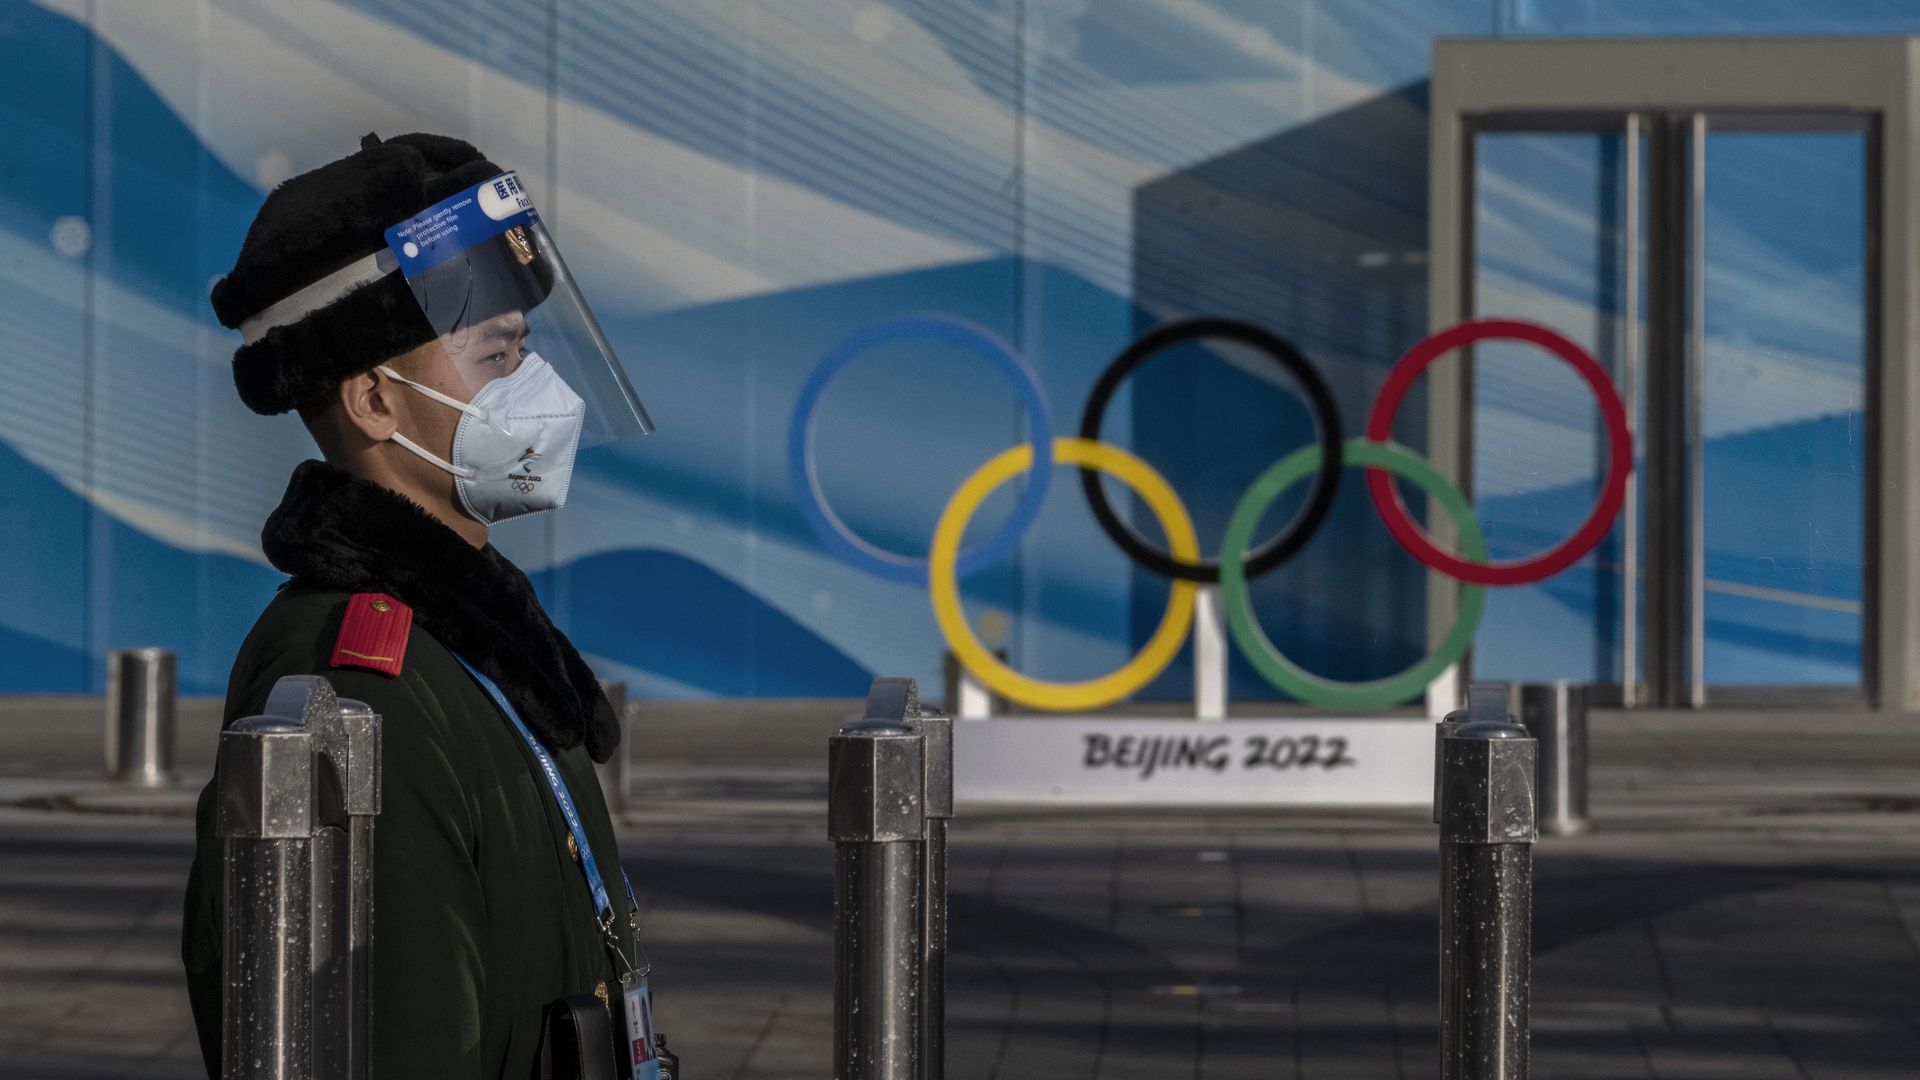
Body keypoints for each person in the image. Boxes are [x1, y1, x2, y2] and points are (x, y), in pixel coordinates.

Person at [180, 132, 657, 1078]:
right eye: (495, 353)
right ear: (372, 401)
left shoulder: (476, 640)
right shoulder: (362, 685)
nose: (537, 392)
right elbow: (401, 1032)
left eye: (527, 348)